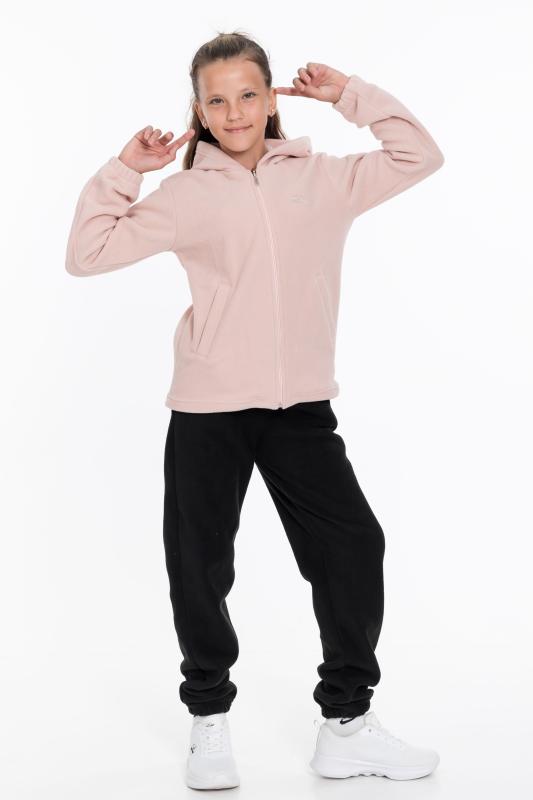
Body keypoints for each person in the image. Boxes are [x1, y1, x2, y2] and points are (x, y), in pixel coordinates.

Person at [65, 30, 444, 791]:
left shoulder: (323, 178)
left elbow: (418, 155)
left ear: (271, 98)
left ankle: (346, 723)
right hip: (208, 409)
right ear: (199, 112)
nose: (234, 111)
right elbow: (87, 253)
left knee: (352, 545)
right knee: (199, 567)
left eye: (247, 94)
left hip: (299, 409)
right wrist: (125, 171)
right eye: (216, 100)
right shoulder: (185, 196)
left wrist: (348, 95)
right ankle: (208, 717)